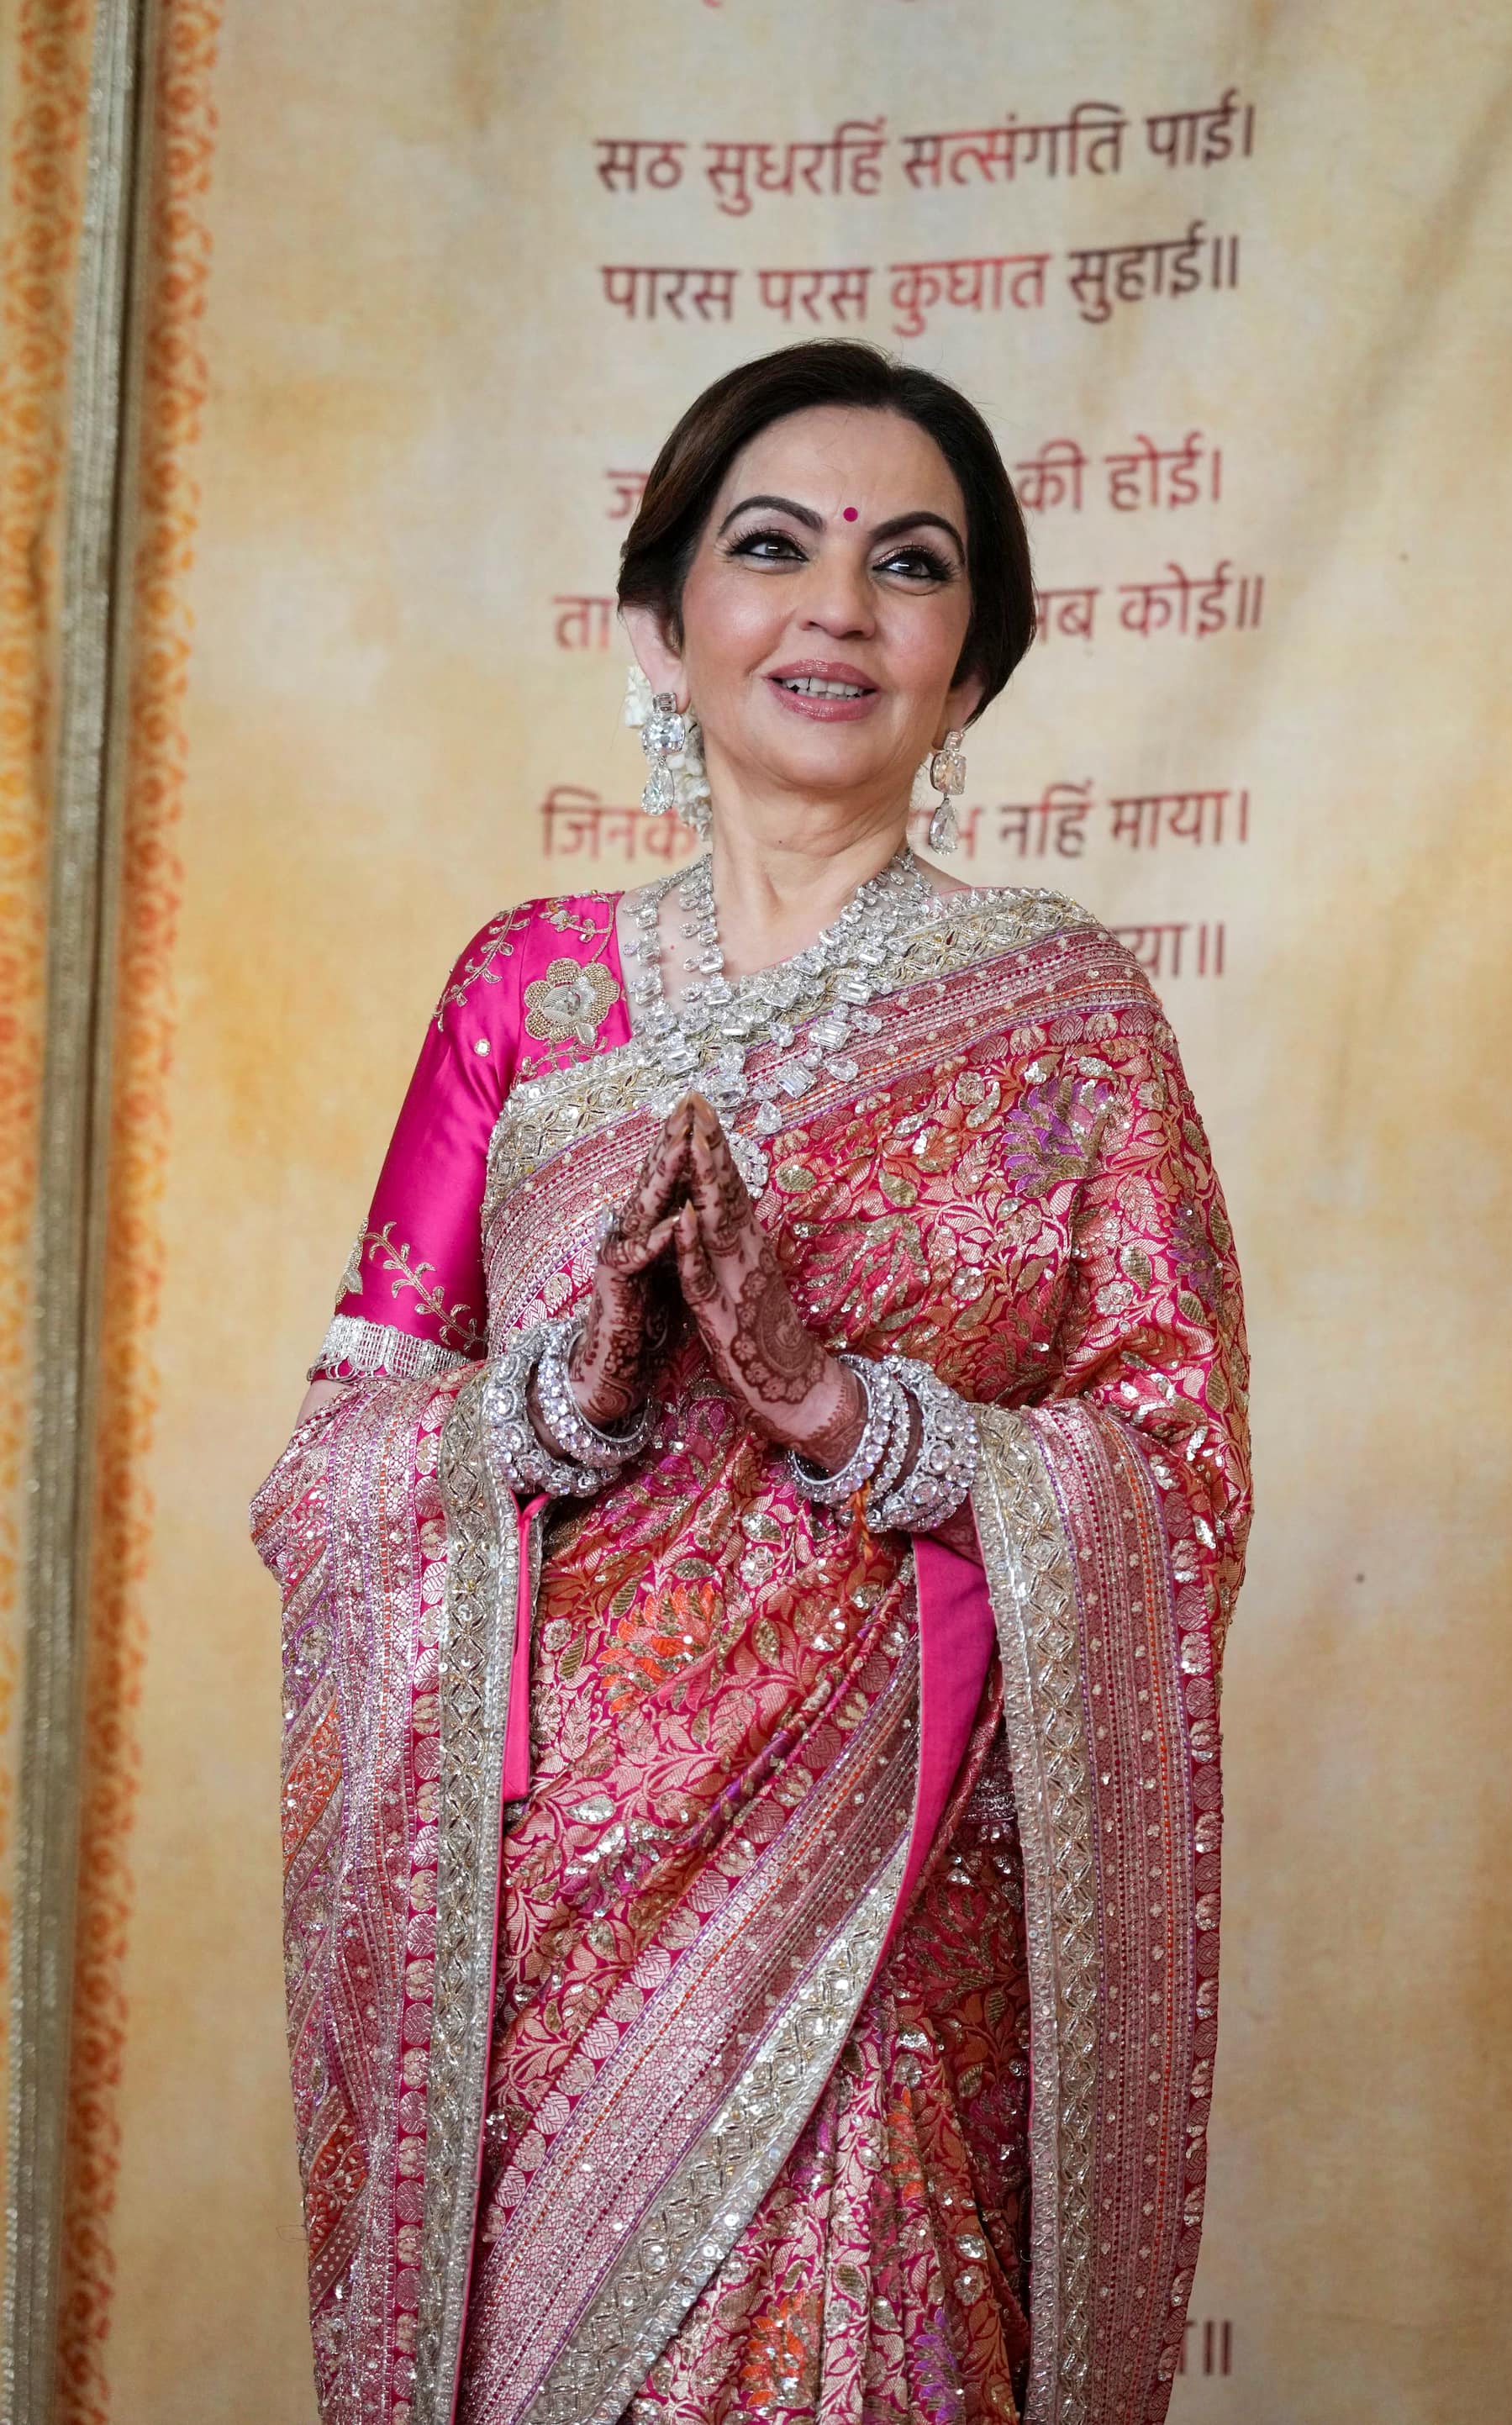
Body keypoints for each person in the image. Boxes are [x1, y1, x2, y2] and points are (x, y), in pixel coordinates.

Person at [252, 339, 1250, 2425]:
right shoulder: (534, 992)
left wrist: (846, 1412)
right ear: (661, 621)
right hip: (543, 1934)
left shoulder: (1066, 1018)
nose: (835, 605)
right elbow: (333, 1469)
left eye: (911, 567)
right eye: (771, 545)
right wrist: (559, 1399)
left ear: (969, 672)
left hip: (877, 1927)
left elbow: (1175, 1484)